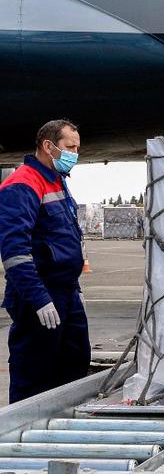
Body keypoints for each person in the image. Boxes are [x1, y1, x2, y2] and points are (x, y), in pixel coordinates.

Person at [0, 119, 89, 403]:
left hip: (66, 292)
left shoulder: (57, 180)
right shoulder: (22, 184)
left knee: (74, 364)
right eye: (69, 147)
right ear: (48, 146)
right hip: (39, 296)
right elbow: (14, 251)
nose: (74, 154)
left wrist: (75, 289)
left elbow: (65, 235)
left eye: (77, 147)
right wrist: (38, 298)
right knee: (34, 374)